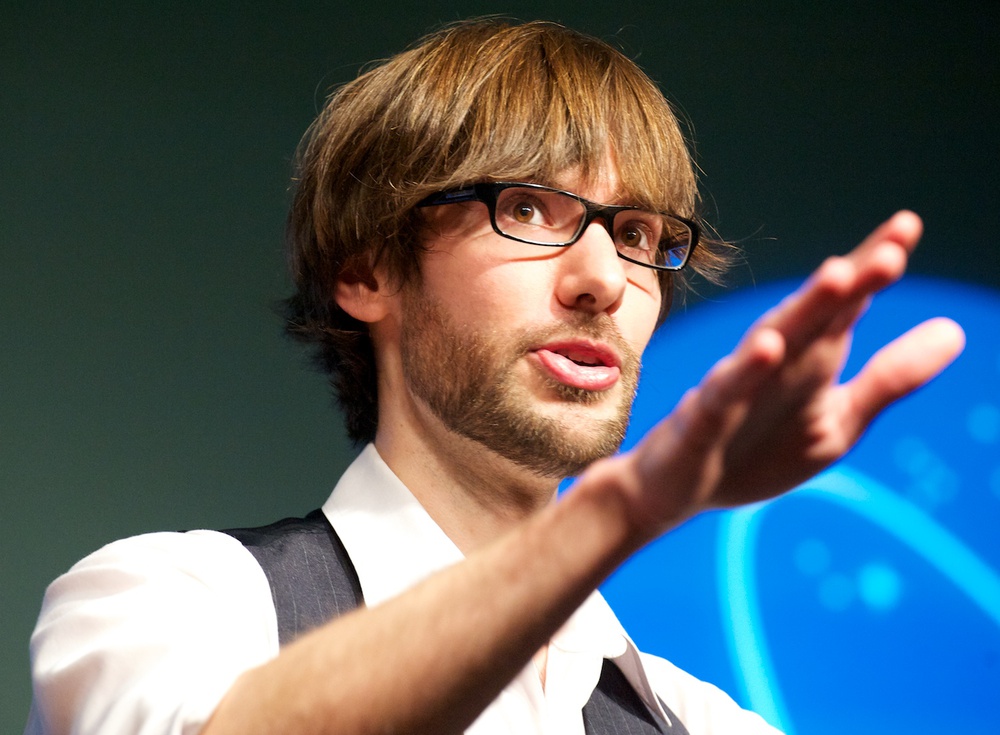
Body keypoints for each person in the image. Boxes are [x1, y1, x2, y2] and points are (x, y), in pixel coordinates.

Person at [25, 19, 964, 735]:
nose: (604, 278)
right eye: (528, 209)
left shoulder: (705, 722)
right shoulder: (164, 603)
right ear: (368, 271)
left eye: (638, 233)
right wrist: (628, 508)